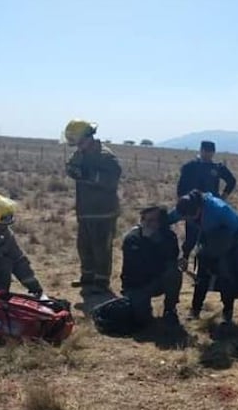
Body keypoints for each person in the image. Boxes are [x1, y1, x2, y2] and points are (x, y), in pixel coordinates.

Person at [64, 119, 121, 293]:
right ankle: (87, 278)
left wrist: (88, 175)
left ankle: (101, 282)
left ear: (89, 138)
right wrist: (73, 170)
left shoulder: (105, 156)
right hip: (85, 210)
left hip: (103, 212)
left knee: (101, 248)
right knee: (84, 247)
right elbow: (71, 167)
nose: (77, 147)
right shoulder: (80, 154)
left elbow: (111, 181)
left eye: (79, 142)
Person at [176, 190, 238, 323]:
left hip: (229, 236)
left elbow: (235, 230)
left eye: (191, 216)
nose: (189, 220)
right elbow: (179, 222)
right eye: (186, 218)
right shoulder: (188, 208)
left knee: (225, 274)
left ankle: (227, 313)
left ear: (198, 209)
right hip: (210, 236)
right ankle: (195, 310)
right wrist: (185, 255)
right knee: (202, 275)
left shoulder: (216, 211)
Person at [121, 206, 182, 326]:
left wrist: (157, 243)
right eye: (144, 219)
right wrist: (146, 241)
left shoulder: (168, 237)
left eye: (151, 220)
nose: (146, 223)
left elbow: (172, 259)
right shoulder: (132, 238)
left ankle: (170, 309)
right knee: (142, 322)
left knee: (174, 272)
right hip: (136, 284)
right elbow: (136, 267)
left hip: (157, 280)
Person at [176, 140, 237, 260]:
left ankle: (204, 262)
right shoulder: (190, 166)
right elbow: (181, 186)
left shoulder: (217, 168)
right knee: (191, 236)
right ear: (201, 150)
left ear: (214, 152)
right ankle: (185, 257)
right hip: (193, 206)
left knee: (209, 236)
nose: (208, 154)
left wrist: (223, 197)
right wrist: (182, 201)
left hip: (210, 208)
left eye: (211, 151)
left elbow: (232, 181)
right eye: (206, 151)